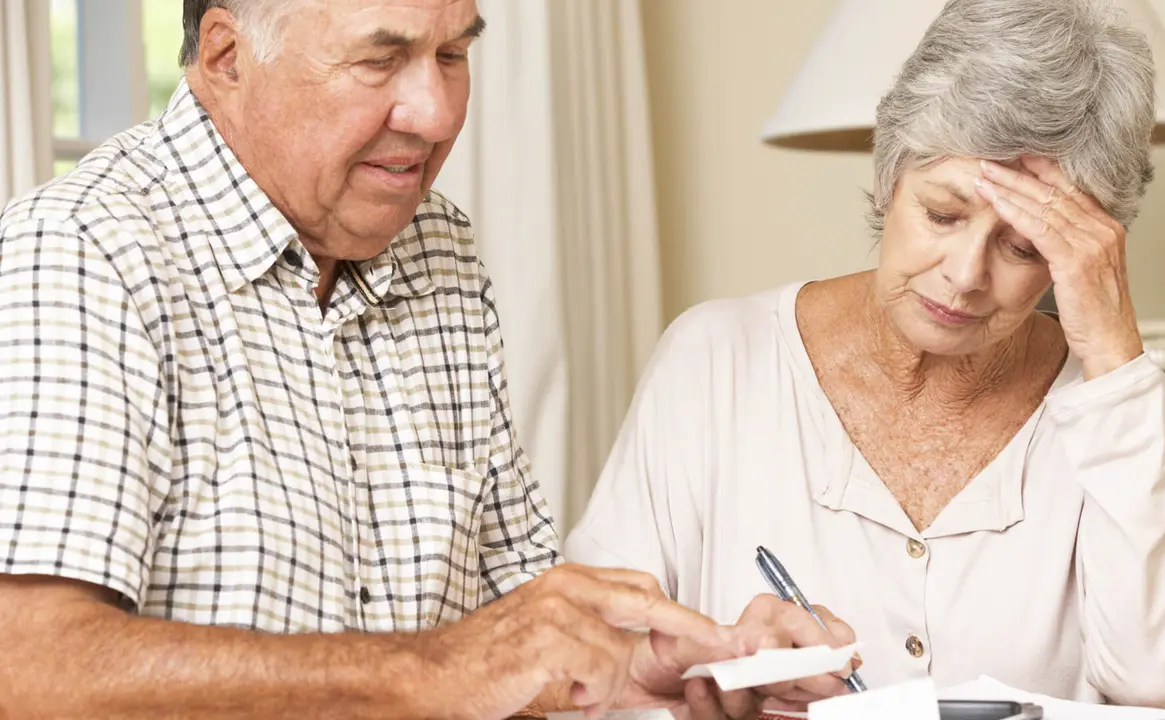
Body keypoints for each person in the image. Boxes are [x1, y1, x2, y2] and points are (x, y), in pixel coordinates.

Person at [0, 1, 854, 717]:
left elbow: (507, 632)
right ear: (226, 56)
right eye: (383, 61)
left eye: (453, 54)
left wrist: (651, 666)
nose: (439, 113)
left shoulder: (436, 245)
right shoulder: (81, 252)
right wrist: (431, 669)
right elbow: (27, 668)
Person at [565, 0, 1165, 709]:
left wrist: (1115, 355)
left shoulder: (1114, 401)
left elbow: (1157, 684)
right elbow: (591, 661)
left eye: (1025, 246)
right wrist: (712, 667)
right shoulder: (715, 360)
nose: (967, 274)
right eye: (942, 214)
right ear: (889, 176)